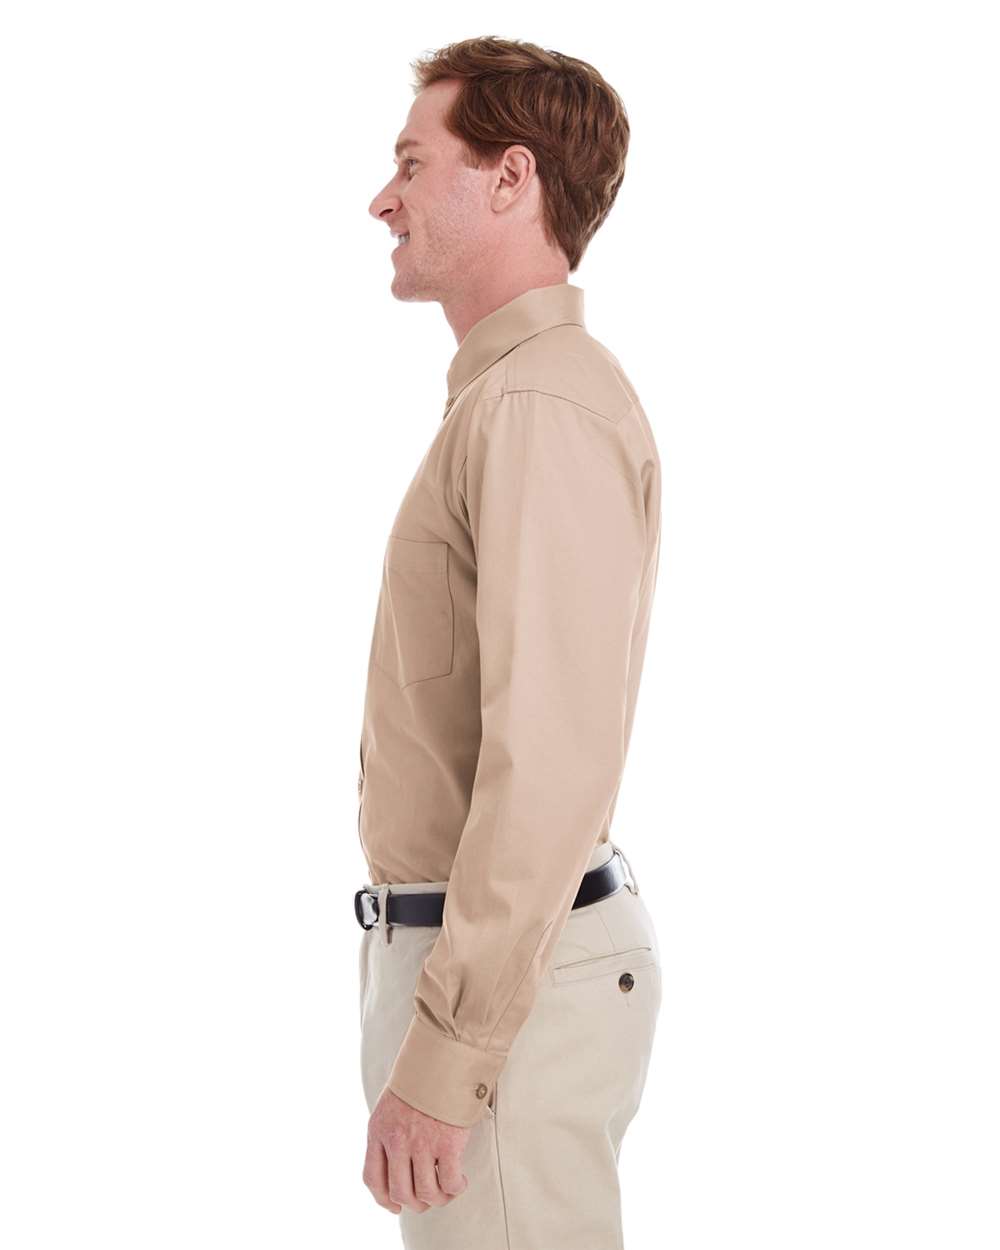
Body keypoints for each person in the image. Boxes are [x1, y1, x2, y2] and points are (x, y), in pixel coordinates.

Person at [356, 35, 663, 1249]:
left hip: (504, 998)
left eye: (411, 163)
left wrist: (453, 1050)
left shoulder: (537, 402)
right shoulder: (509, 398)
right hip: (489, 977)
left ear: (510, 176)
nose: (382, 200)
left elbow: (547, 760)